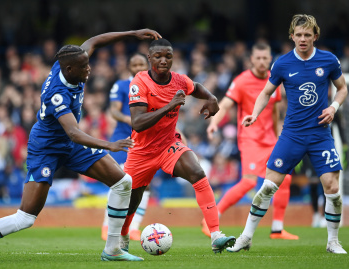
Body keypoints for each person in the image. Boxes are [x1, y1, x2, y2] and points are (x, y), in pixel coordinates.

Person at [0, 28, 162, 263]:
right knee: (26, 218)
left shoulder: (72, 60)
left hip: (69, 142)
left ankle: (113, 249)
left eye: (88, 64)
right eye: (84, 67)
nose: (89, 68)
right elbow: (74, 133)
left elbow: (94, 40)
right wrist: (109, 145)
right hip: (46, 147)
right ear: (69, 70)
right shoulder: (57, 94)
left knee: (122, 182)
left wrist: (133, 33)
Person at [227, 14, 347, 254]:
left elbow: (342, 88)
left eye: (307, 35)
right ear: (292, 36)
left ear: (315, 36)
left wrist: (333, 107)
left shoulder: (328, 60)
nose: (303, 39)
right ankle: (246, 237)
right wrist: (254, 113)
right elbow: (266, 92)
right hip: (291, 134)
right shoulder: (282, 63)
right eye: (298, 35)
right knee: (268, 187)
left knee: (332, 189)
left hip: (320, 134)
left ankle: (333, 241)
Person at [119, 38, 236, 254]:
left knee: (198, 172)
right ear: (149, 58)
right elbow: (138, 122)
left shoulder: (179, 80)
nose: (163, 60)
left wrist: (211, 98)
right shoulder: (140, 82)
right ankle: (124, 233)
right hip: (142, 151)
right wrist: (170, 105)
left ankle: (216, 235)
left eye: (168, 56)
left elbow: (196, 87)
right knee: (133, 200)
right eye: (158, 56)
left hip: (168, 145)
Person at [203, 43, 298, 240]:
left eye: (266, 58)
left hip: (271, 139)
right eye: (259, 58)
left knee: (285, 178)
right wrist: (213, 123)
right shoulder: (242, 81)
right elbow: (226, 103)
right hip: (250, 139)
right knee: (248, 182)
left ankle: (277, 229)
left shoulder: (274, 80)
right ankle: (211, 218)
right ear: (252, 60)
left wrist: (278, 133)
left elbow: (274, 111)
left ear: (270, 59)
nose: (262, 62)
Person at [101, 52, 150, 241]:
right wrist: (132, 120)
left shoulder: (152, 86)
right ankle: (107, 226)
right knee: (120, 182)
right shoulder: (121, 85)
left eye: (141, 65)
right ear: (129, 67)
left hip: (145, 141)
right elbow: (114, 110)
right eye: (134, 64)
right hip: (124, 139)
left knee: (144, 187)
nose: (138, 68)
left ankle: (134, 228)